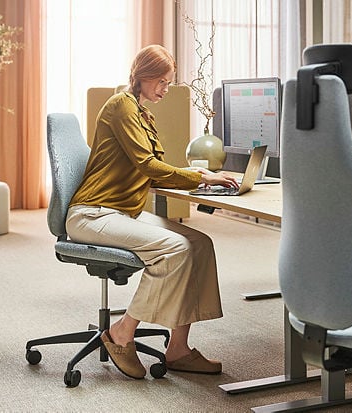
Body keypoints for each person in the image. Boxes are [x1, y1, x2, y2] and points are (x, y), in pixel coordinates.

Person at [65, 44, 238, 379]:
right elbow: (147, 164)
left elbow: (152, 166)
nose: (165, 88)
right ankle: (121, 333)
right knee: (174, 249)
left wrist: (199, 177)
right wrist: (202, 176)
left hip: (122, 212)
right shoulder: (121, 106)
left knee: (199, 244)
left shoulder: (143, 114)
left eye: (168, 82)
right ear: (142, 76)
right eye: (160, 81)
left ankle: (179, 349)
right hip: (92, 214)